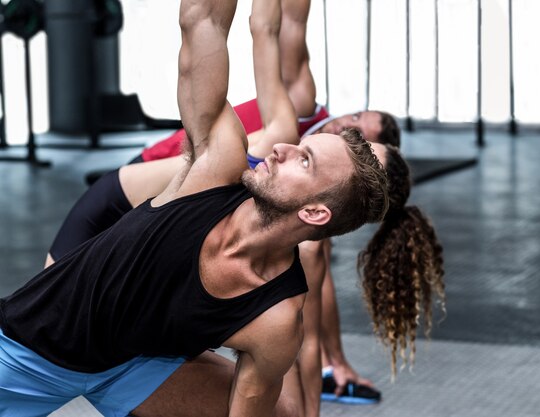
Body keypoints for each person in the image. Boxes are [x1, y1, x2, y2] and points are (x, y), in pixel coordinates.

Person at [0, 0, 390, 415]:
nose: (280, 148)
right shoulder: (216, 170)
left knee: (284, 413)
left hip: (135, 366)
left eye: (304, 160)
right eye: (300, 146)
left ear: (314, 213)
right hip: (27, 350)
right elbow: (202, 21)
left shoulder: (277, 317)